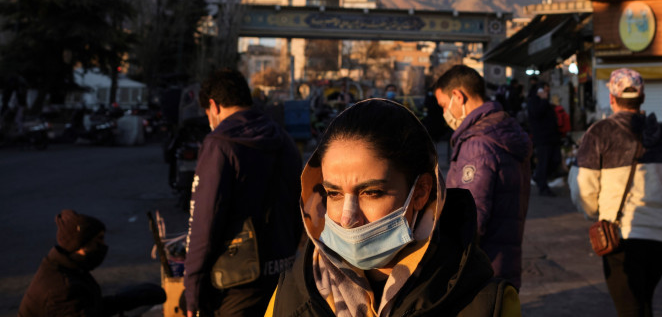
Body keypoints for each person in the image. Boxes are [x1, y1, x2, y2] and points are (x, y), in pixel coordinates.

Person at [265, 99, 521, 316]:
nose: (347, 218)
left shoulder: (486, 303)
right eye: (333, 193)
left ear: (420, 192)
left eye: (371, 193)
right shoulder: (291, 295)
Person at [184, 68, 303, 317]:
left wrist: (193, 286)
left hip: (236, 280)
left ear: (213, 106)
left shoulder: (220, 144)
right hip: (284, 273)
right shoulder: (284, 139)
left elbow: (204, 222)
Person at [570, 68, 662, 317]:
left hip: (620, 236)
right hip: (661, 237)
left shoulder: (599, 133)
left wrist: (597, 214)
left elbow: (582, 186)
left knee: (629, 309)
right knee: (643, 303)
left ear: (612, 98)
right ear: (642, 98)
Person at [433, 64, 532, 290]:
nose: (444, 113)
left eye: (443, 105)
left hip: (479, 269)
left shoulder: (477, 145)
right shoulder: (503, 130)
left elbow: (471, 218)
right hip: (504, 260)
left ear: (458, 96)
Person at [19, 210, 165, 316]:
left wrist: (121, 301)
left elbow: (89, 308)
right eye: (99, 240)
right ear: (81, 245)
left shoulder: (67, 267)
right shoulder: (62, 289)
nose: (104, 245)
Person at [527, 81, 562, 196]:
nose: (547, 92)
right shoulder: (534, 101)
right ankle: (542, 186)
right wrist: (543, 100)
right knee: (544, 162)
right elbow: (537, 114)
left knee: (555, 159)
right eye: (545, 90)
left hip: (553, 137)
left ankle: (538, 177)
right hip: (542, 138)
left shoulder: (546, 101)